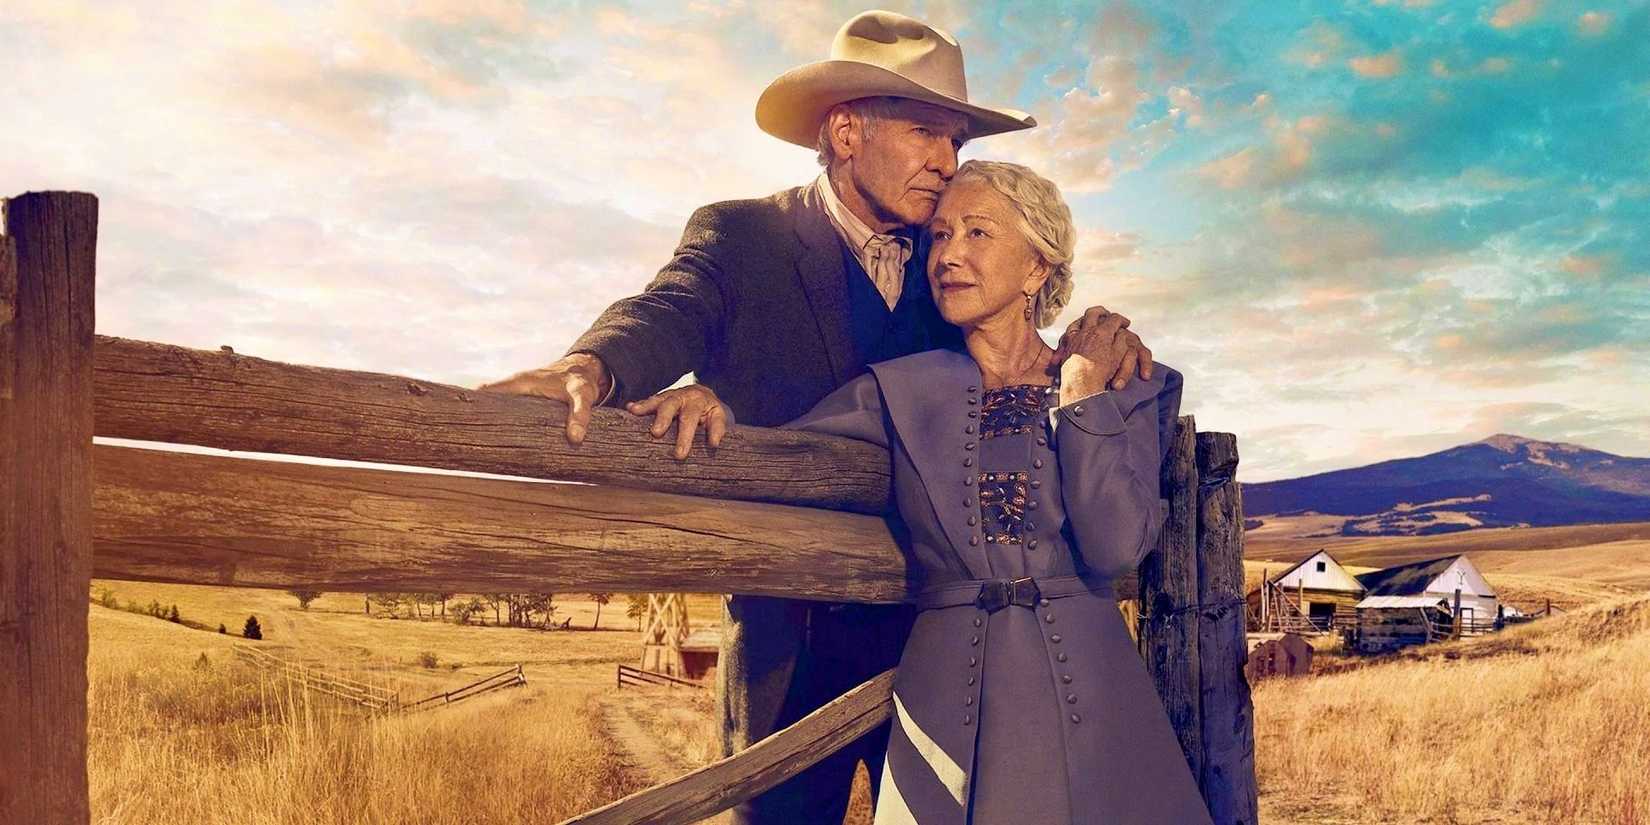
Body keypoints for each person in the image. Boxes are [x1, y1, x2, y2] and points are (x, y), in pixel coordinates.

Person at [482, 12, 1160, 824]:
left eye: (954, 142)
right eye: (926, 133)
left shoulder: (946, 258)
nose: (947, 162)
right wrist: (594, 366)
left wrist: (1099, 355)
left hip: (938, 644)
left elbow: (1015, 351)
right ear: (845, 132)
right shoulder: (747, 235)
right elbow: (671, 307)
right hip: (787, 643)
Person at [640, 159, 1212, 823]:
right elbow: (783, 451)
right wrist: (713, 402)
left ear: (1037, 267)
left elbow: (1115, 545)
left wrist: (1081, 391)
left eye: (978, 233)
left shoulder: (1120, 381)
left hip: (1090, 689)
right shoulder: (896, 389)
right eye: (940, 235)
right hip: (946, 696)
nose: (948, 255)